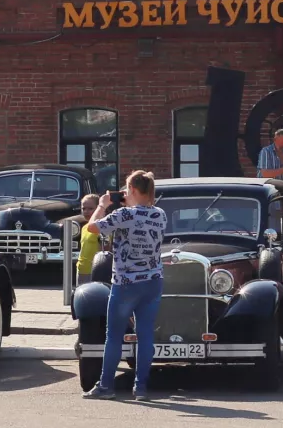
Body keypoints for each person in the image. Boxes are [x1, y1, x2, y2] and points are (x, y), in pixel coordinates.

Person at [83, 170, 166, 402]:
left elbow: (91, 229)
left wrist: (101, 205)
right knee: (146, 334)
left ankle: (106, 385)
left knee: (114, 335)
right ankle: (141, 387)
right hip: (153, 281)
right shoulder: (160, 214)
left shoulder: (123, 214)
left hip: (126, 282)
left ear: (132, 190)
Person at [75, 193, 101, 286]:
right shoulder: (84, 227)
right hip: (81, 270)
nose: (86, 211)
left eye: (90, 209)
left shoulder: (102, 227)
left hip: (95, 271)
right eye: (83, 208)